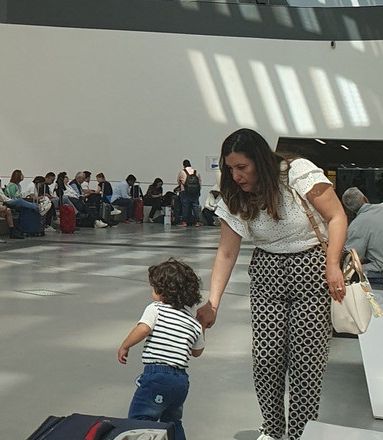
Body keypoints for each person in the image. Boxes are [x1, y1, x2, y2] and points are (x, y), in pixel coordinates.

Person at [196, 128, 348, 440]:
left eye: (242, 168)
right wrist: (213, 302)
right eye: (230, 168)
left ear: (261, 162)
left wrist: (332, 263)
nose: (236, 176)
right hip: (267, 273)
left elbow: (336, 217)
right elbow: (227, 251)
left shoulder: (297, 174)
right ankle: (273, 429)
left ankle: (300, 433)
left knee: (307, 361)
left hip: (312, 270)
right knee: (266, 359)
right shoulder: (233, 192)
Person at [118, 258, 205, 440]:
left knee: (140, 419)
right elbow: (197, 352)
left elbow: (143, 329)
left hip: (157, 376)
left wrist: (125, 345)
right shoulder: (193, 323)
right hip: (181, 381)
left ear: (162, 291)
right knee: (173, 423)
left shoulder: (156, 309)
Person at [341, 187, 383, 286]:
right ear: (365, 199)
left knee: (349, 272)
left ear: (348, 210)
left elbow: (353, 259)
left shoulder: (357, 225)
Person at [178, 160, 202, 226]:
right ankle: (197, 222)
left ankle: (184, 222)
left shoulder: (182, 172)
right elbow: (199, 182)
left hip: (185, 192)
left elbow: (178, 181)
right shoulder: (196, 172)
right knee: (195, 207)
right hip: (195, 193)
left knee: (185, 207)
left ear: (183, 165)